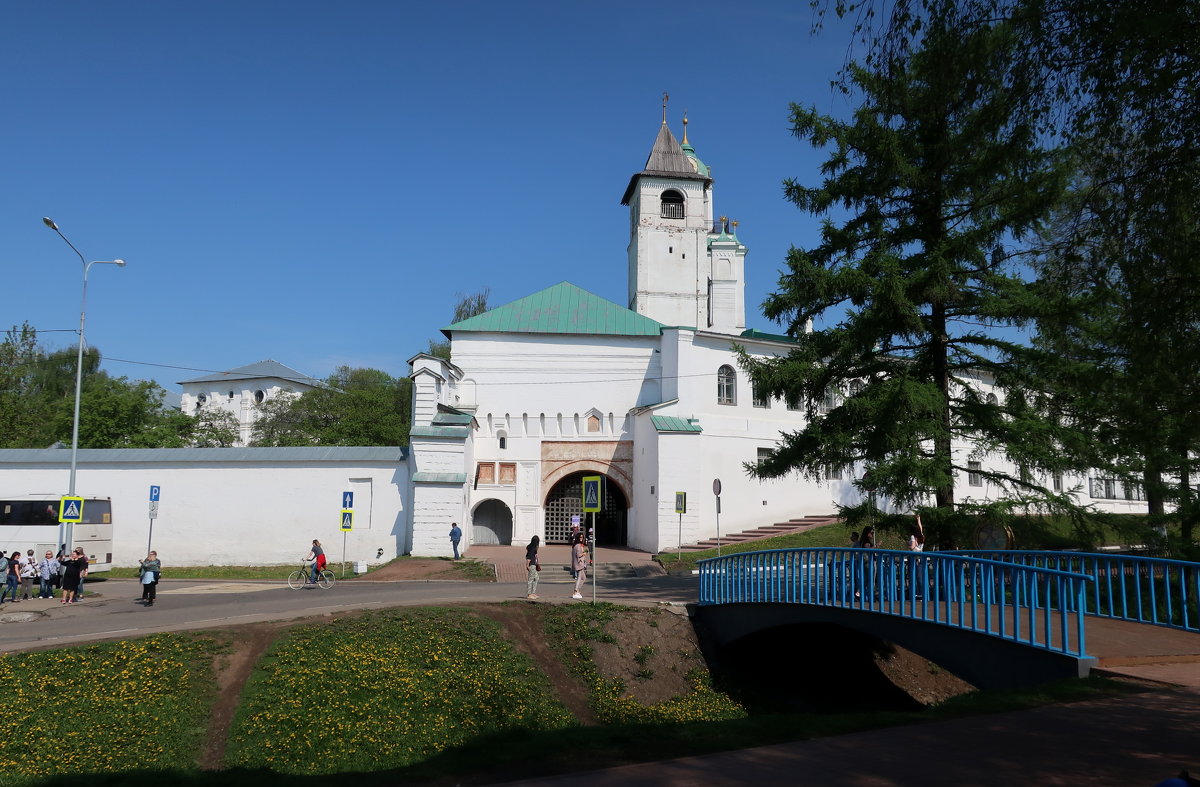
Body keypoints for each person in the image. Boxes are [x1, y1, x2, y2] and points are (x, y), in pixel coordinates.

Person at [570, 532, 590, 600]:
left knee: (583, 578)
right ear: (578, 538)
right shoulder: (578, 545)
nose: (581, 538)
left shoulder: (575, 545)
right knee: (579, 578)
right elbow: (578, 555)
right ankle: (575, 591)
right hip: (579, 564)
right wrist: (584, 553)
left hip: (578, 563)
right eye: (580, 537)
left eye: (582, 537)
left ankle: (577, 590)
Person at [524, 535, 541, 600]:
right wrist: (527, 565)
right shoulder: (532, 549)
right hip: (532, 565)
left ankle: (533, 593)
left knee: (536, 578)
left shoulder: (533, 548)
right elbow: (529, 558)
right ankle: (529, 594)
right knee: (530, 579)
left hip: (534, 565)